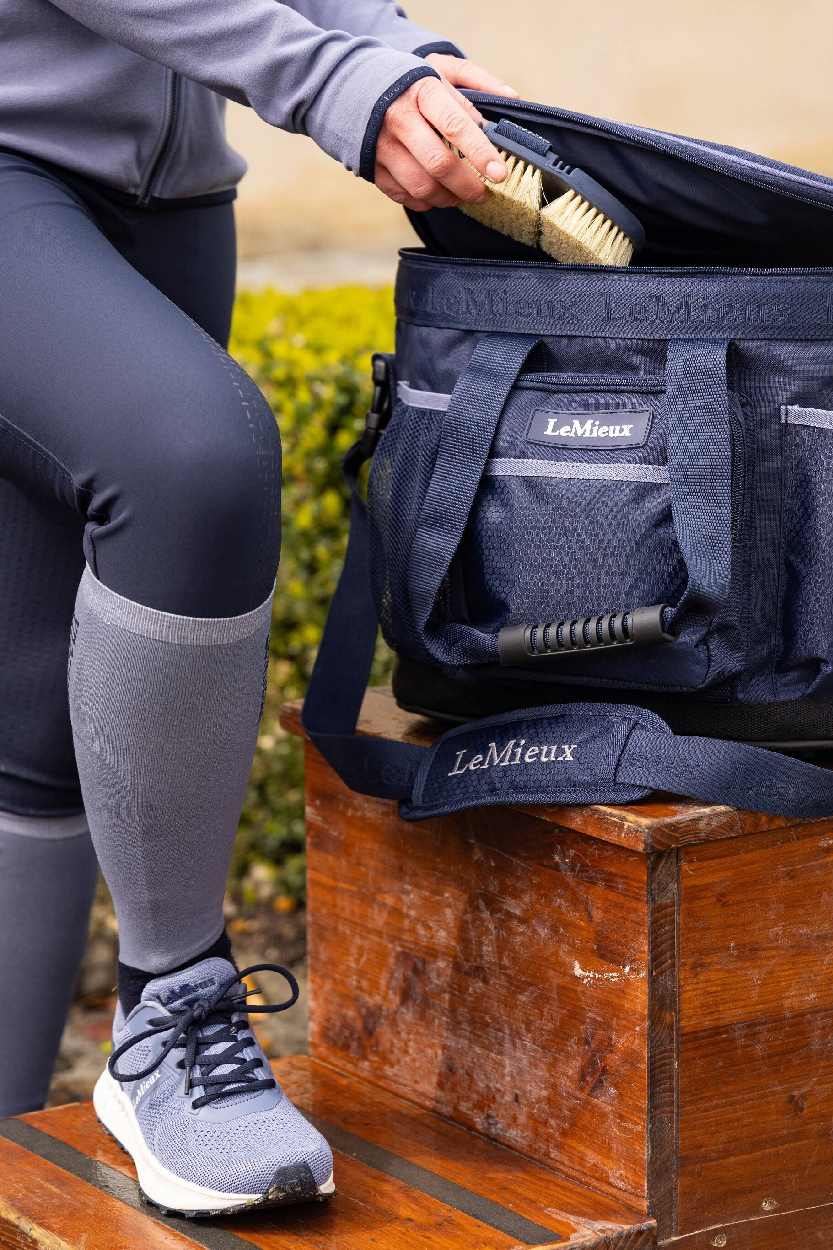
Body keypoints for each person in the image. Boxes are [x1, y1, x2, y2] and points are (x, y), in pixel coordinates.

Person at [0, 0, 514, 1216]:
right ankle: (169, 1001)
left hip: (167, 197)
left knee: (30, 720)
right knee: (197, 462)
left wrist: (399, 53)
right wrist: (338, 81)